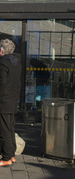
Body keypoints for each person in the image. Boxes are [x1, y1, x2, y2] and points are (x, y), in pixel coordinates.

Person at [0, 39, 21, 167]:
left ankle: (6, 157)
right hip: (12, 101)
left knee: (4, 130)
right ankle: (11, 155)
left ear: (2, 50)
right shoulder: (16, 63)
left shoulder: (2, 63)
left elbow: (1, 83)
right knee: (10, 129)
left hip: (3, 102)